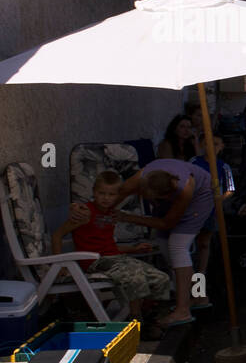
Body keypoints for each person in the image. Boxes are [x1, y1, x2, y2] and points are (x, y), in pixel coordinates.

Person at [52, 171, 171, 321]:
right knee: (135, 276)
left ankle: (150, 314)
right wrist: (59, 265)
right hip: (95, 261)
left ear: (118, 196)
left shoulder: (111, 214)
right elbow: (57, 235)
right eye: (102, 193)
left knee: (161, 278)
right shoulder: (85, 213)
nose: (106, 198)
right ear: (94, 192)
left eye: (111, 195)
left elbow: (107, 245)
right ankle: (136, 319)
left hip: (115, 259)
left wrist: (133, 249)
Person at [111, 158, 215, 328]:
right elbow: (119, 193)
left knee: (178, 246)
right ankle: (199, 296)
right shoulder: (140, 179)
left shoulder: (185, 189)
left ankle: (183, 310)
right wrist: (100, 211)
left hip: (201, 196)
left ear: (166, 196)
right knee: (165, 245)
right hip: (167, 191)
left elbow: (168, 223)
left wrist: (128, 217)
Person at [188, 134, 236, 306]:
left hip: (212, 212)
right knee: (190, 250)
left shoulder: (223, 167)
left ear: (221, 146)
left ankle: (199, 290)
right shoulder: (194, 163)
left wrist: (217, 200)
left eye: (216, 144)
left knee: (203, 247)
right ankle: (192, 290)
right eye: (208, 143)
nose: (212, 147)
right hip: (193, 212)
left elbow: (230, 189)